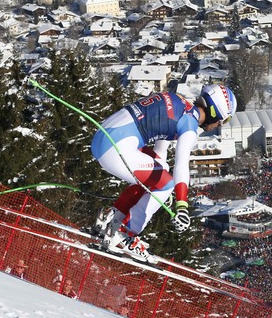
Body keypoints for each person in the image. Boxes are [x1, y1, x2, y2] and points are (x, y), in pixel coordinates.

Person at [91, 84, 236, 262]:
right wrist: (181, 206)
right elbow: (181, 165)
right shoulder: (189, 124)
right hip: (114, 149)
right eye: (224, 120)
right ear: (215, 112)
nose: (219, 125)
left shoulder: (179, 102)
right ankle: (124, 235)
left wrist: (161, 174)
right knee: (166, 184)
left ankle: (113, 219)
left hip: (104, 139)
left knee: (159, 174)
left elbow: (160, 154)